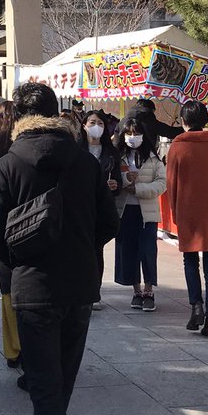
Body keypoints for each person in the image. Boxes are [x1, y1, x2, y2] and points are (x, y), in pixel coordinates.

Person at [0, 83, 118, 415]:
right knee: (62, 379)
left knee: (44, 384)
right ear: (57, 114)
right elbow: (108, 222)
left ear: (18, 117)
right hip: (80, 286)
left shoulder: (6, 164)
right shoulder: (85, 161)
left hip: (33, 287)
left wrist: (19, 259)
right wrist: (79, 249)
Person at [165, 101, 208, 339]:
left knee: (190, 261)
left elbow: (172, 183)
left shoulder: (177, 147)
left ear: (184, 121)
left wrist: (175, 210)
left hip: (188, 208)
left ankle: (196, 307)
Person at [113, 116, 166, 312]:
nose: (133, 137)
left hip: (147, 212)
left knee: (148, 251)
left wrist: (140, 188)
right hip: (125, 210)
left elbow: (162, 183)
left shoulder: (153, 157)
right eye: (129, 133)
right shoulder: (118, 156)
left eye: (136, 133)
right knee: (129, 250)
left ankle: (149, 290)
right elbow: (113, 179)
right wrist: (126, 180)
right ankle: (136, 290)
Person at [0, 103, 23, 372]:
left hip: (4, 232)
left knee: (8, 293)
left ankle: (13, 349)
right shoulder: (24, 153)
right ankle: (31, 345)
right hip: (31, 227)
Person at [84, 110, 120, 310]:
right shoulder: (76, 149)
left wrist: (115, 185)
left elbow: (118, 181)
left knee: (97, 249)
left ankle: (94, 292)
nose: (96, 126)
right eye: (92, 122)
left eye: (100, 122)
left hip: (101, 206)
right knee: (82, 248)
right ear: (84, 125)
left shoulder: (111, 151)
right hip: (81, 205)